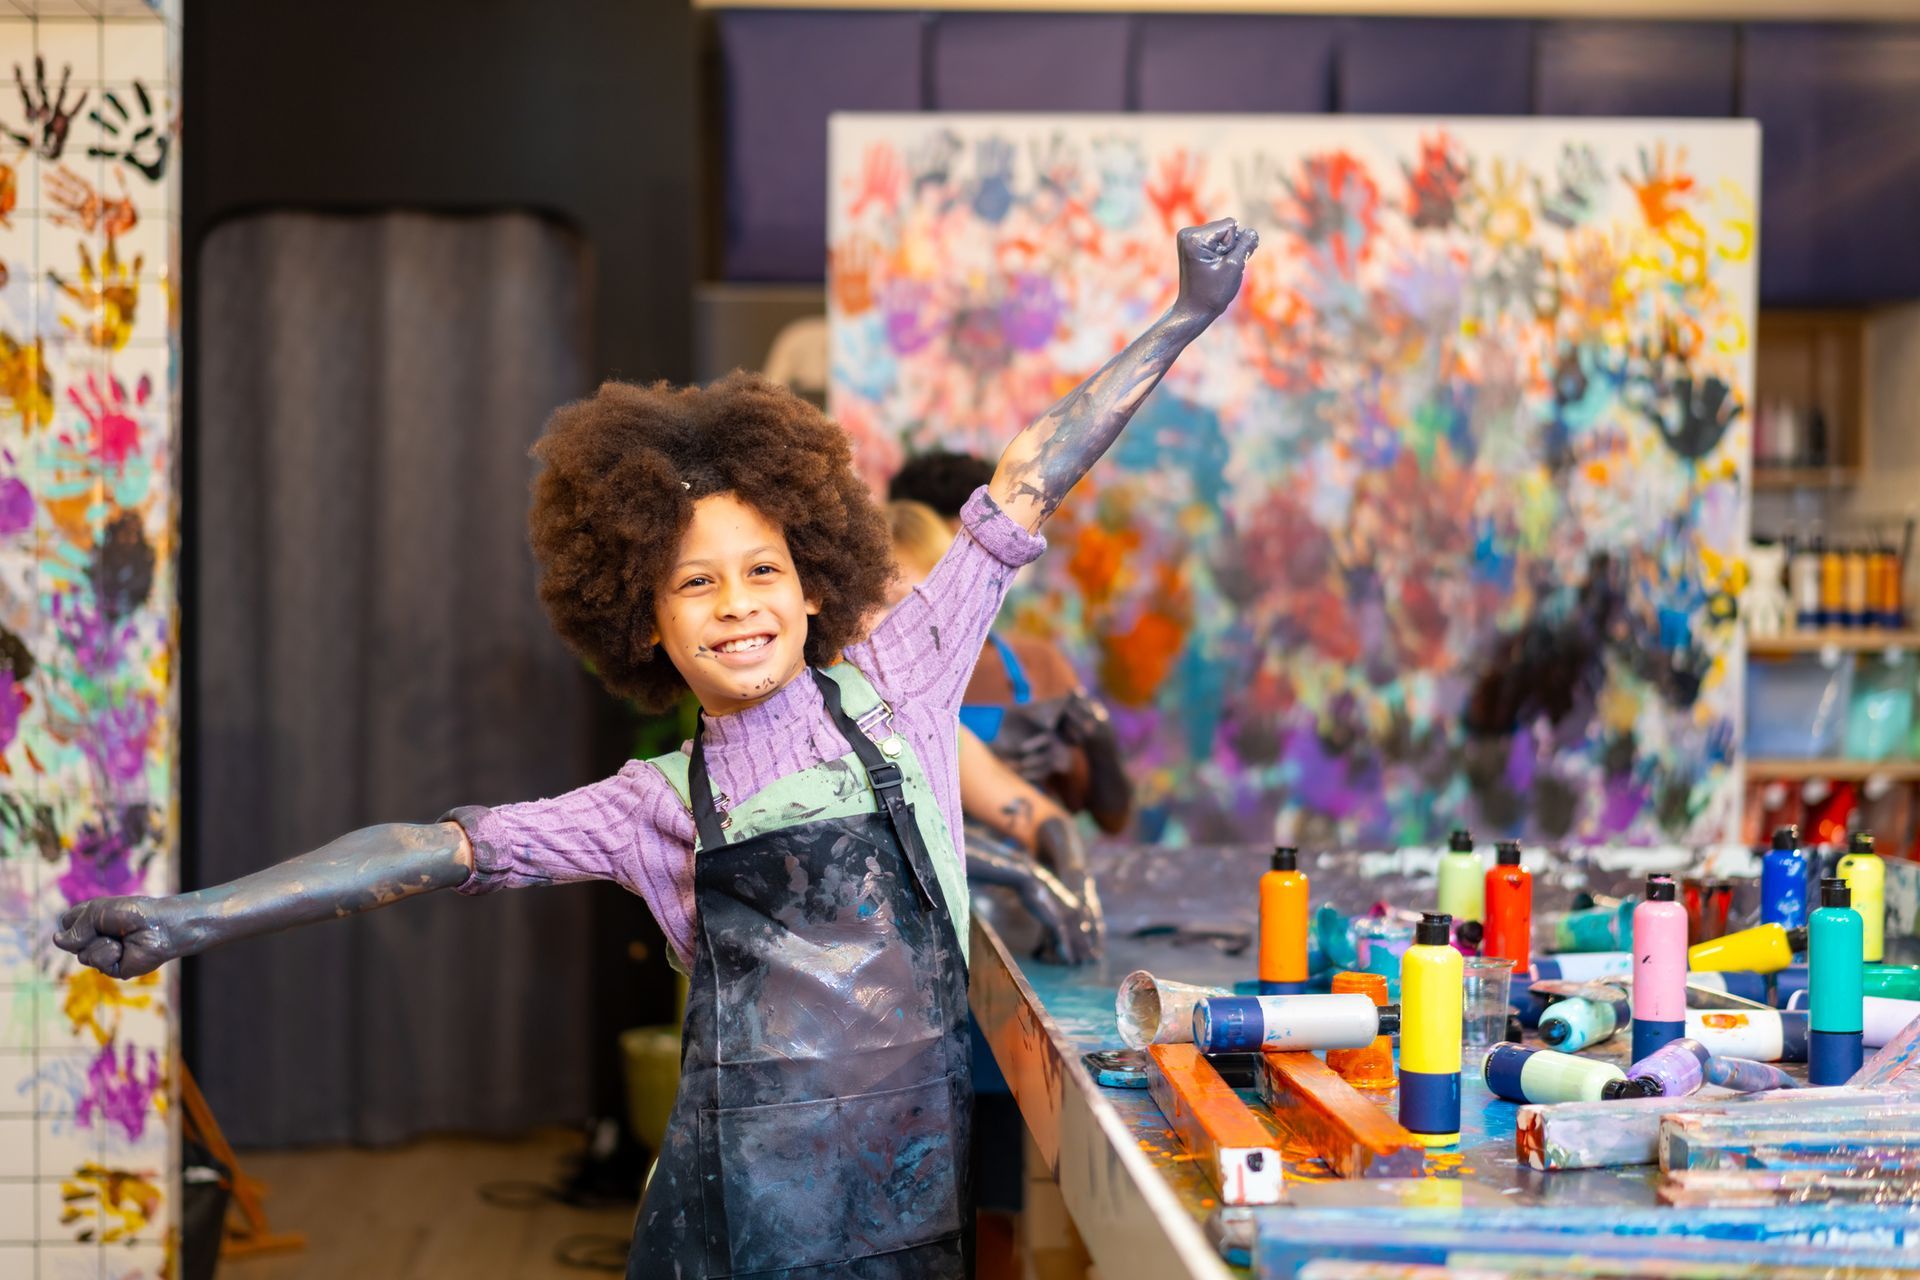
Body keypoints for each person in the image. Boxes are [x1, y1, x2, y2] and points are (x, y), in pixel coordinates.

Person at [56, 219, 1256, 1279]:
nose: (740, 603)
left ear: (814, 584)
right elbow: (435, 847)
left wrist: (1185, 316)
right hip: (729, 1229)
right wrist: (191, 918)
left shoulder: (904, 682)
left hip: (908, 1210)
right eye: (698, 581)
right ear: (645, 618)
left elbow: (1028, 478)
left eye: (764, 571)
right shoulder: (652, 804)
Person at [885, 498, 1103, 955]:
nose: (915, 632)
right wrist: (1019, 873)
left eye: (931, 612)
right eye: (893, 608)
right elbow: (884, 836)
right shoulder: (819, 710)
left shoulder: (929, 723)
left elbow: (1043, 818)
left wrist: (1072, 886)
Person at [890, 453, 1134, 835]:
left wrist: (1097, 743)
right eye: (964, 547)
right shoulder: (865, 683)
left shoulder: (1037, 664)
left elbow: (1111, 818)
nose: (982, 566)